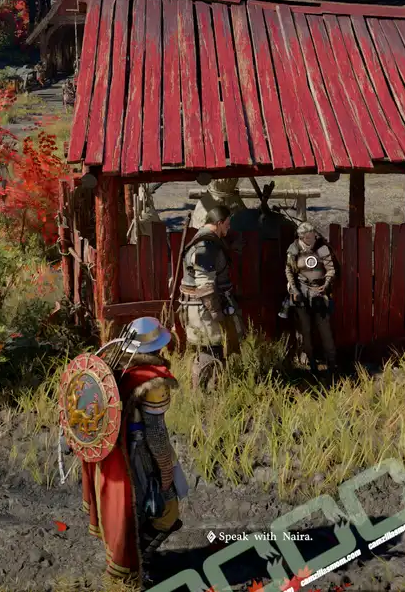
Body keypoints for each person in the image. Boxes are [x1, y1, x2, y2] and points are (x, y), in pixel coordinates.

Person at [82, 317, 186, 587]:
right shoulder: (153, 382)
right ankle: (136, 568)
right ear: (157, 347)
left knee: (128, 514)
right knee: (164, 512)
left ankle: (132, 564)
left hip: (110, 458)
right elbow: (156, 433)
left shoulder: (112, 371)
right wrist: (165, 470)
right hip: (137, 458)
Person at [178, 205, 241, 390]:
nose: (229, 227)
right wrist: (216, 313)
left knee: (213, 349)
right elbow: (205, 285)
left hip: (203, 307)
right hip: (203, 309)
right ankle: (203, 395)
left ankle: (211, 392)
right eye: (227, 224)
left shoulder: (207, 241)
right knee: (210, 349)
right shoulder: (206, 246)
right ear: (219, 223)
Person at [284, 221, 338, 371]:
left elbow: (331, 269)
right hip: (301, 290)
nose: (312, 239)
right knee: (305, 329)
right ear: (301, 237)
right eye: (308, 237)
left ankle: (332, 362)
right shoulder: (294, 249)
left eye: (313, 235)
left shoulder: (321, 248)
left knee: (324, 328)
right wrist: (294, 289)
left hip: (318, 291)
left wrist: (326, 284)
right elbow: (289, 271)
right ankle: (310, 362)